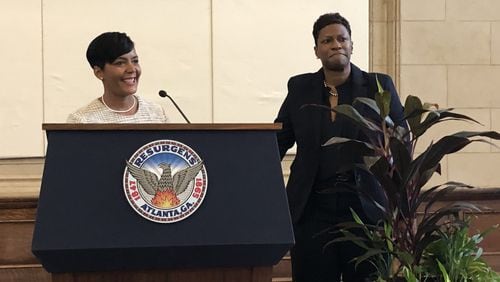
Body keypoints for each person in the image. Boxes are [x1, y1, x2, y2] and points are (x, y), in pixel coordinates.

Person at [274, 13, 406, 282]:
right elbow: (276, 142)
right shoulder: (300, 88)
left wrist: (402, 210)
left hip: (365, 211)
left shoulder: (378, 86)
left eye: (342, 39)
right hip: (311, 211)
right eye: (328, 40)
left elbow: (403, 147)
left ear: (351, 45)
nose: (336, 45)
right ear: (316, 50)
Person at [67, 32, 169, 123]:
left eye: (135, 61)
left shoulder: (157, 113)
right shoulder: (82, 120)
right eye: (120, 63)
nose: (132, 69)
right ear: (99, 72)